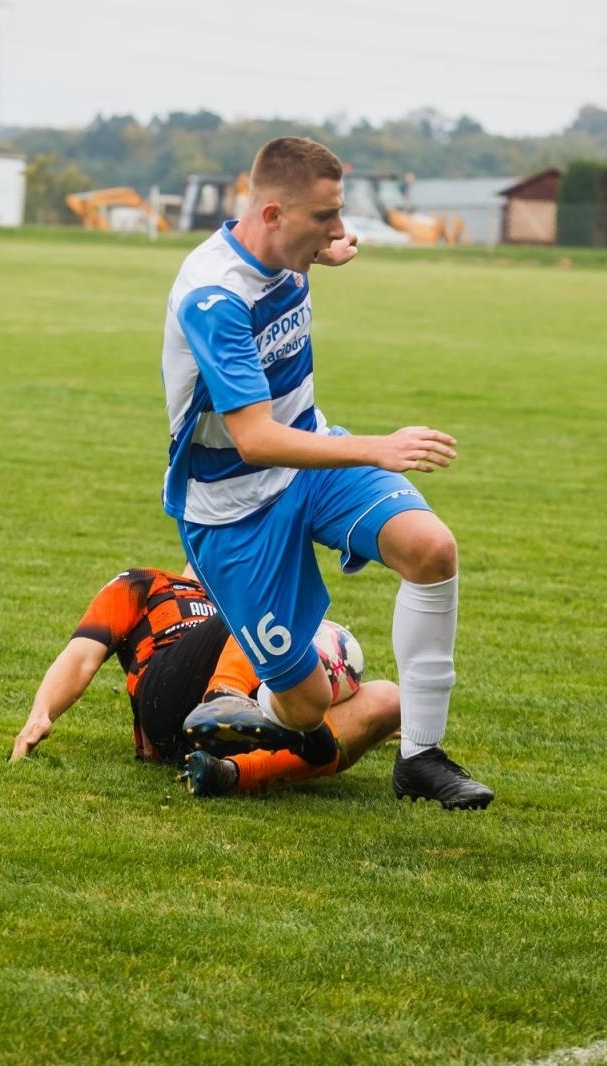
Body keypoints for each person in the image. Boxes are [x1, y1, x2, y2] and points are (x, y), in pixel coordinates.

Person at [160, 136, 493, 811]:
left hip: (310, 457)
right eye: (325, 218)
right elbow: (253, 440)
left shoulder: (281, 245)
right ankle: (259, 711)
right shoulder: (214, 299)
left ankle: (421, 757)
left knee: (431, 549)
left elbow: (292, 263)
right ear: (275, 213)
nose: (340, 231)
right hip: (233, 509)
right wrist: (377, 447)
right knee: (306, 706)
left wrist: (321, 254)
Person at [8, 567, 401, 798]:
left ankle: (227, 773)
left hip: (246, 718)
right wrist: (41, 714)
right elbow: (80, 657)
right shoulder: (143, 583)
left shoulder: (247, 592)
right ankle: (225, 699)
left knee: (388, 699)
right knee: (261, 608)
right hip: (168, 696)